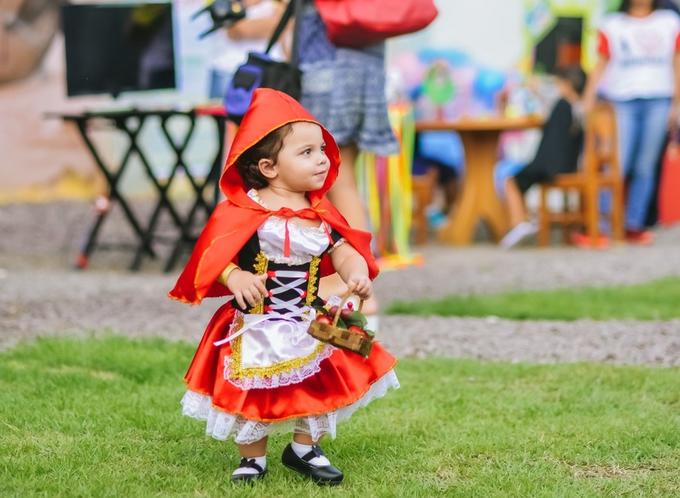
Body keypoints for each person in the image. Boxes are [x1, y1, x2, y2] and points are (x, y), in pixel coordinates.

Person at [169, 89, 399, 485]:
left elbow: (344, 249)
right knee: (251, 390)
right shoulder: (245, 211)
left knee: (320, 383)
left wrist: (355, 272)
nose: (321, 158)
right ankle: (252, 457)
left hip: (307, 317)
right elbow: (212, 253)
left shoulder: (320, 214)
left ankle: (304, 448)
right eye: (306, 152)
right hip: (256, 322)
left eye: (322, 149)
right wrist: (235, 276)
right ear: (269, 167)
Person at [295, 1, 400, 318]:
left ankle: (350, 285)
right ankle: (358, 285)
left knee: (329, 178)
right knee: (343, 178)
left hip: (326, 67)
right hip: (364, 66)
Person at [582, 0, 680, 244]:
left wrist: (677, 103)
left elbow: (677, 62)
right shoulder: (613, 24)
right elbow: (601, 62)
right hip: (621, 99)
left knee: (645, 166)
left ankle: (633, 224)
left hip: (659, 98)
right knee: (617, 163)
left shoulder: (669, 22)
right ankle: (602, 226)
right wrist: (588, 99)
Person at [499, 65, 586, 248]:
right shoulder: (580, 109)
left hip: (548, 166)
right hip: (568, 165)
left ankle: (518, 224)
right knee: (521, 179)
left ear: (567, 85)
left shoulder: (562, 104)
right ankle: (525, 222)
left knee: (510, 181)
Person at [208, 0, 285, 99]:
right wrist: (274, 24)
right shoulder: (226, 4)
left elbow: (285, 25)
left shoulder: (277, 5)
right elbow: (237, 32)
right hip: (228, 73)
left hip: (270, 76)